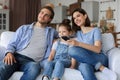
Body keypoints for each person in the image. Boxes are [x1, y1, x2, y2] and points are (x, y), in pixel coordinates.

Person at [0, 6, 58, 80]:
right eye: (42, 12)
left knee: (34, 68)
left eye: (46, 15)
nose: (42, 15)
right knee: (3, 67)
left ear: (50, 19)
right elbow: (12, 43)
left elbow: (67, 35)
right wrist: (9, 53)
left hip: (32, 62)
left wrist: (58, 40)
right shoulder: (24, 28)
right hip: (16, 57)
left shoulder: (51, 32)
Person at [67, 8, 117, 80]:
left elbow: (97, 49)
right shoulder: (77, 34)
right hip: (85, 61)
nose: (76, 19)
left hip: (99, 58)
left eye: (78, 16)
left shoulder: (95, 30)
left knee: (74, 51)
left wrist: (78, 43)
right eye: (74, 18)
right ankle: (100, 67)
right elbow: (75, 52)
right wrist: (72, 65)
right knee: (73, 52)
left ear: (85, 16)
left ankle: (101, 66)